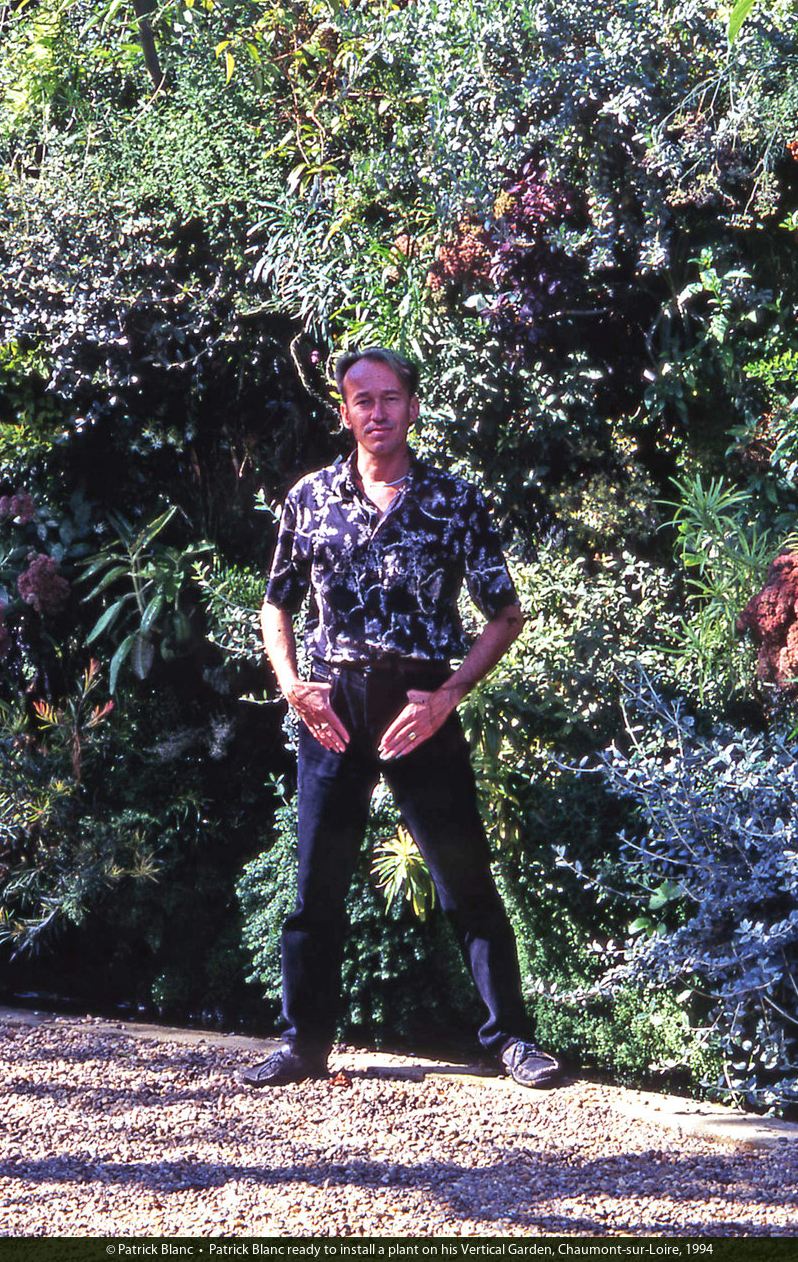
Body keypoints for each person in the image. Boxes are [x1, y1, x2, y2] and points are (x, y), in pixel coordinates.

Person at [238, 347, 564, 1090]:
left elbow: (505, 614)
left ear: (412, 408)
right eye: (363, 400)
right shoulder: (309, 499)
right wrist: (292, 686)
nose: (377, 412)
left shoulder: (455, 501)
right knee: (315, 885)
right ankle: (303, 1045)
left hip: (421, 706)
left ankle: (513, 1039)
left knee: (465, 878)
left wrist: (450, 694)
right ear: (344, 412)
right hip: (333, 707)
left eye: (390, 399)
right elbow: (276, 604)